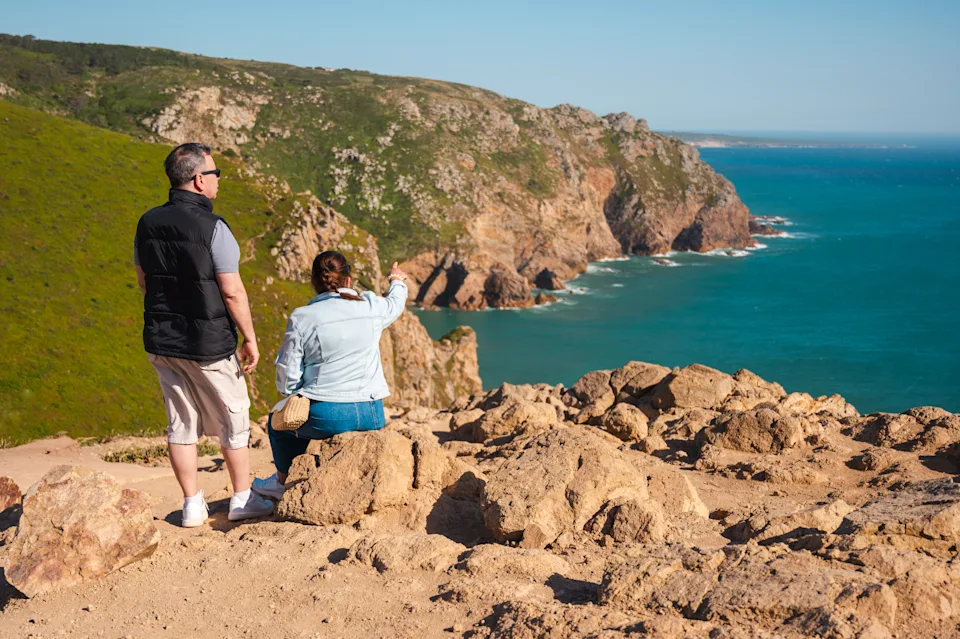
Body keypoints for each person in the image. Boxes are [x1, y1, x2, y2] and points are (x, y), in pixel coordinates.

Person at [134, 142, 274, 527]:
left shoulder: (147, 222)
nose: (217, 181)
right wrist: (249, 337)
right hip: (208, 343)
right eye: (214, 174)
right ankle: (242, 499)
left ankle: (192, 505)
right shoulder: (214, 228)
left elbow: (145, 283)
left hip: (162, 339)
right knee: (234, 419)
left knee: (181, 422)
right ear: (198, 180)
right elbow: (232, 291)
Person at [251, 251, 408, 499]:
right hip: (372, 413)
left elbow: (287, 371)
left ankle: (282, 483)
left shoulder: (302, 318)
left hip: (328, 416)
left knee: (278, 424)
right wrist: (396, 280)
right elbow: (395, 303)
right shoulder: (371, 307)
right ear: (348, 280)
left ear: (314, 282)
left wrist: (294, 393)